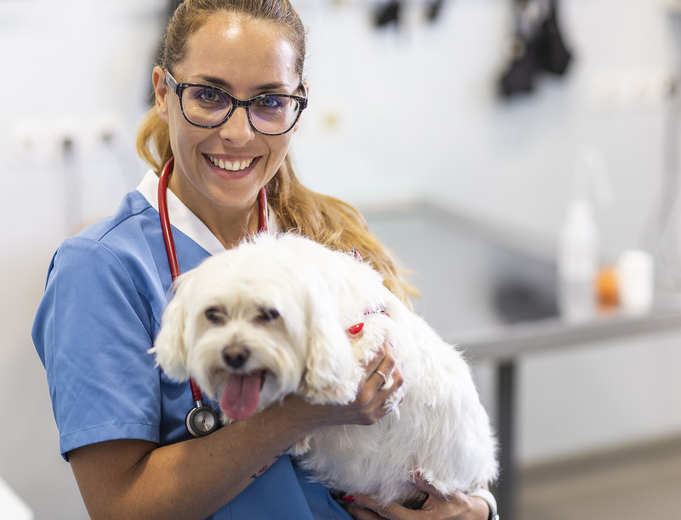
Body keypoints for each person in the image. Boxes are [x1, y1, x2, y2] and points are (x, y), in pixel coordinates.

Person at [32, 1, 496, 519]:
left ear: (296, 108)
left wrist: (476, 509)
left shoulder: (328, 235)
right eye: (209, 95)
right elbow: (122, 509)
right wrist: (296, 416)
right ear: (163, 93)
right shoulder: (101, 271)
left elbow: (431, 420)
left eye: (269, 101)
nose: (238, 132)